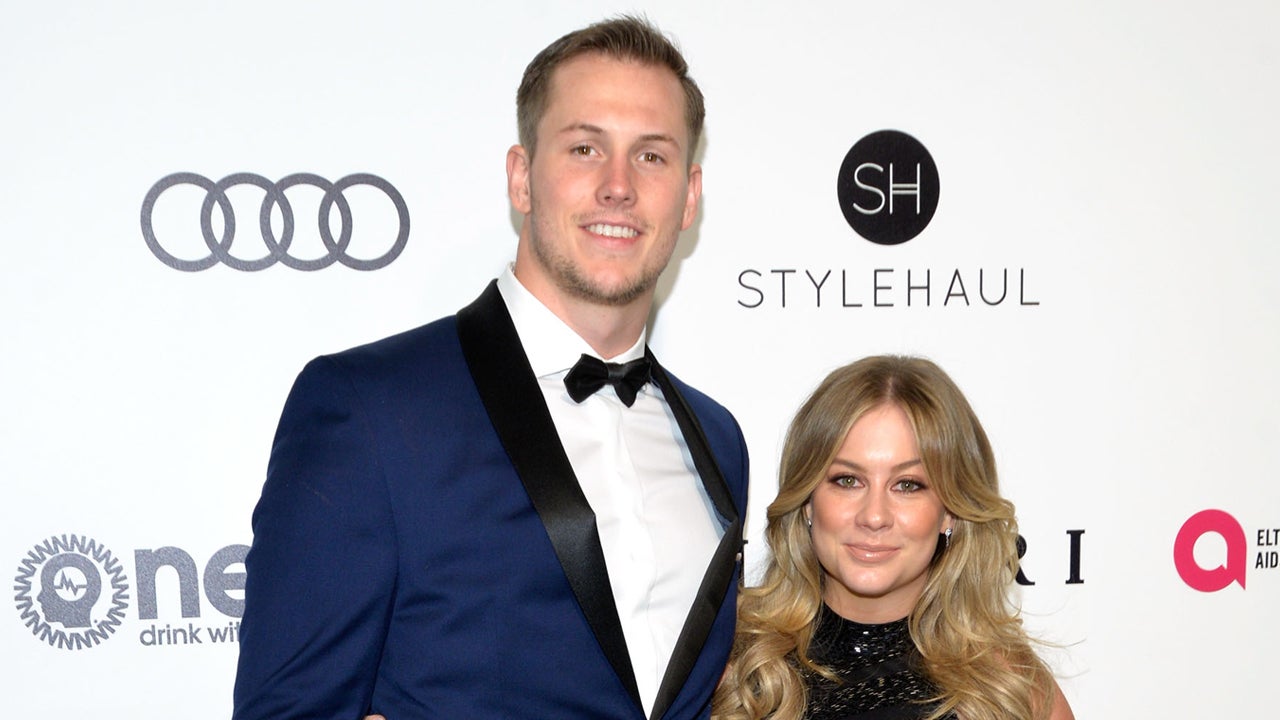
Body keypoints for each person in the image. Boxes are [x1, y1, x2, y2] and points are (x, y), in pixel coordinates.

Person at [232, 16, 748, 720]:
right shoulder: (369, 410)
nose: (618, 186)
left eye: (651, 156)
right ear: (522, 178)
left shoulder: (718, 440)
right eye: (585, 148)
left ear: (688, 196)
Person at [713, 356, 1072, 720]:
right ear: (807, 501)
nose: (874, 517)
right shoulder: (734, 670)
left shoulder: (1011, 691)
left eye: (907, 485)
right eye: (848, 480)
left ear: (950, 511)